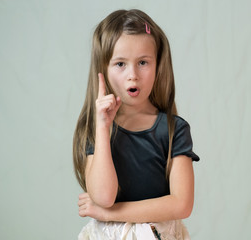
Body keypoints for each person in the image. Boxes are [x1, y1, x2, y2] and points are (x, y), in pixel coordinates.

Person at [72, 9, 200, 239]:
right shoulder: (97, 129)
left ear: (158, 66)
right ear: (104, 70)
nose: (133, 75)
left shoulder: (174, 129)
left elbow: (182, 204)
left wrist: (111, 214)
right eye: (120, 64)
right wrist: (102, 128)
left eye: (143, 62)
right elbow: (103, 197)